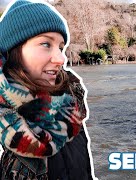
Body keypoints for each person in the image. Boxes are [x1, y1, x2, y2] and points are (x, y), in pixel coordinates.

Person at [0, 0, 94, 179]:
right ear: (14, 51)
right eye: (46, 44)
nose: (60, 58)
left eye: (60, 47)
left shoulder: (70, 107)